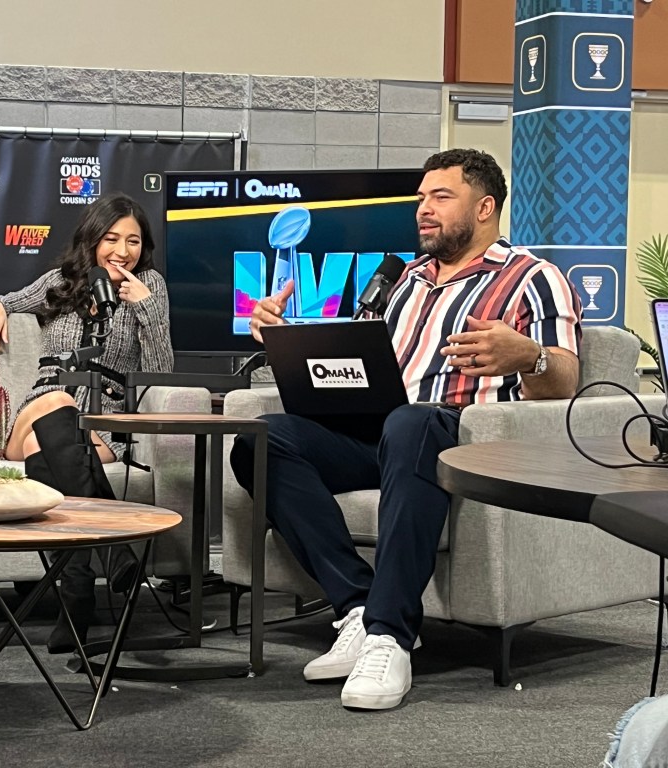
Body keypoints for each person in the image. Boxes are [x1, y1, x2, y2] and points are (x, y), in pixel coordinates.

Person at [230, 148, 583, 710]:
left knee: (413, 421)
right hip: (383, 435)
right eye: (421, 198)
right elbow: (354, 367)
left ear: (485, 207)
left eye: (441, 196)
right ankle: (357, 607)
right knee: (263, 438)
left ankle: (391, 635)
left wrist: (529, 356)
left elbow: (565, 381)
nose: (423, 209)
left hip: (461, 442)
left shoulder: (532, 278)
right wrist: (283, 337)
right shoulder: (406, 280)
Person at [0, 192, 173, 652]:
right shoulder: (60, 282)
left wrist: (146, 309)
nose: (122, 251)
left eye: (132, 241)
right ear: (93, 239)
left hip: (101, 423)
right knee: (57, 401)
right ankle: (113, 547)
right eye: (111, 239)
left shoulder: (149, 286)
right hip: (38, 407)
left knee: (46, 455)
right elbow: (7, 300)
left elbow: (160, 373)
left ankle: (76, 596)